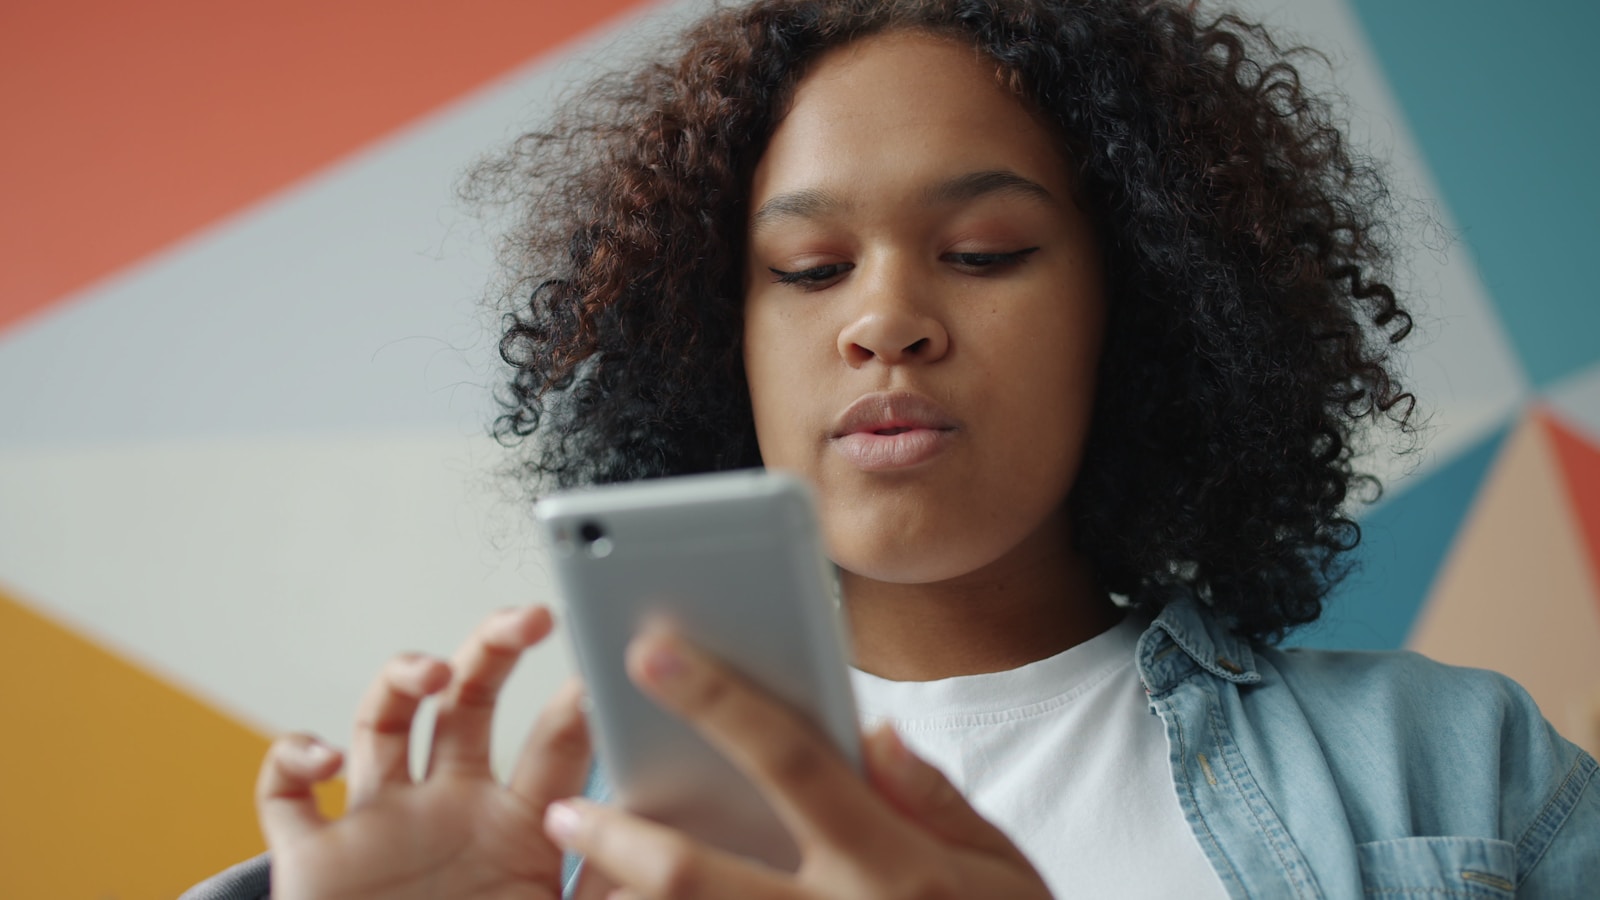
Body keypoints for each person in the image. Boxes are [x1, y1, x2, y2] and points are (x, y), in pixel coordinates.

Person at [184, 0, 1599, 897]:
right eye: (807, 269)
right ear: (708, 334)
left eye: (982, 252)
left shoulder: (1453, 775)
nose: (887, 321)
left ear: (1147, 307)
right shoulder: (543, 859)